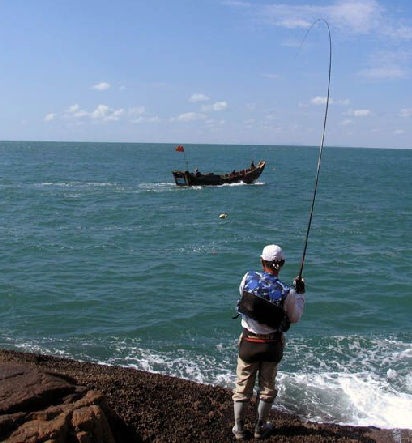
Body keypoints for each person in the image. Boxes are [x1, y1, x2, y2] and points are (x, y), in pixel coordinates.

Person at [232, 244, 305, 440]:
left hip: (248, 342)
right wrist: (300, 294)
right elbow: (295, 317)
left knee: (242, 386)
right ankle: (260, 427)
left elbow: (243, 295)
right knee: (266, 388)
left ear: (261, 261)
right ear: (281, 264)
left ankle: (239, 429)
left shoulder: (248, 277)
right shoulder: (286, 292)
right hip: (272, 345)